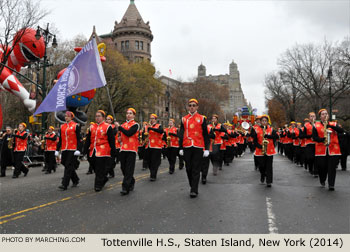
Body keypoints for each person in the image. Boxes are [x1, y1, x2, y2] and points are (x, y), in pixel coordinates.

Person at [179, 98, 210, 198]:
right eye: (190, 105)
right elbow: (181, 133)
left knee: (196, 168)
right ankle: (192, 185)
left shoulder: (201, 118)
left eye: (194, 105)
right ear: (188, 107)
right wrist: (180, 148)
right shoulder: (184, 119)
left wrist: (206, 149)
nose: (192, 107)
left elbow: (205, 134)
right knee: (188, 168)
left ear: (197, 107)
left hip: (198, 146)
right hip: (187, 145)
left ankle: (194, 190)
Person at [84, 110, 116, 192]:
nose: (97, 118)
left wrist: (113, 150)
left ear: (103, 117)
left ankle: (98, 185)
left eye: (99, 116)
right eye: (96, 116)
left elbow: (111, 140)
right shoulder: (92, 127)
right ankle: (103, 179)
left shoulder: (107, 127)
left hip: (103, 150)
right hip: (92, 150)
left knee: (99, 168)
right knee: (94, 166)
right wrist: (84, 149)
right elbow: (88, 140)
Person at [312, 109, 344, 191]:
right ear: (320, 116)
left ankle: (331, 184)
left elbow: (341, 131)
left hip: (333, 149)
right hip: (321, 150)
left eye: (326, 114)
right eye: (323, 114)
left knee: (332, 167)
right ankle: (322, 179)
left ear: (328, 115)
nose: (325, 115)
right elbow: (314, 137)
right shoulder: (316, 125)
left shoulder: (334, 123)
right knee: (322, 167)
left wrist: (332, 127)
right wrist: (322, 139)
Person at [115, 108, 139, 195]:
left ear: (134, 115)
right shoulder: (123, 125)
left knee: (129, 169)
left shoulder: (136, 125)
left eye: (130, 113)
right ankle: (131, 181)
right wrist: (119, 138)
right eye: (127, 113)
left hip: (131, 149)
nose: (128, 115)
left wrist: (120, 127)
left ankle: (125, 187)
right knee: (123, 168)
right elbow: (121, 137)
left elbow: (129, 133)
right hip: (123, 149)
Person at [56, 111, 81, 190]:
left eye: (67, 116)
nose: (66, 117)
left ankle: (64, 184)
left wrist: (79, 149)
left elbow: (79, 138)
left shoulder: (76, 126)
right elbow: (60, 139)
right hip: (64, 148)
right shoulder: (62, 126)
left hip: (72, 148)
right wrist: (57, 149)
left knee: (68, 165)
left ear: (71, 117)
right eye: (65, 116)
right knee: (64, 163)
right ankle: (75, 179)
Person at [251, 115, 278, 187]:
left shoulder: (271, 129)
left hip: (269, 150)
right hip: (260, 150)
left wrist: (268, 136)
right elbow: (254, 141)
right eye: (263, 121)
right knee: (261, 166)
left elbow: (277, 137)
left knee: (269, 166)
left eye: (265, 121)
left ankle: (269, 181)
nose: (264, 122)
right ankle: (263, 174)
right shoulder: (257, 130)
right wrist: (259, 146)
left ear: (267, 122)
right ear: (260, 122)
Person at [145, 114, 164, 181]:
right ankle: (152, 172)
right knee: (149, 161)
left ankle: (153, 175)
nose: (151, 119)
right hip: (149, 146)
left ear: (155, 119)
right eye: (150, 118)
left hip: (156, 146)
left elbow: (161, 131)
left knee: (154, 161)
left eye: (153, 118)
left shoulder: (159, 126)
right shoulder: (147, 126)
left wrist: (151, 128)